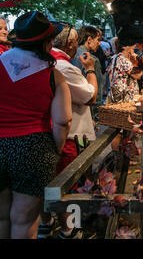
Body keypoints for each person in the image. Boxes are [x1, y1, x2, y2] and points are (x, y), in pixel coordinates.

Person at [0, 11, 71, 239]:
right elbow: (62, 121)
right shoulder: (54, 75)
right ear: (47, 42)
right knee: (23, 221)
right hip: (34, 149)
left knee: (1, 216)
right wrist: (55, 150)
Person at [38, 24, 98, 239]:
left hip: (41, 134)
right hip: (67, 137)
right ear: (71, 44)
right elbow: (90, 96)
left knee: (45, 183)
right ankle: (69, 230)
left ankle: (46, 223)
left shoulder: (40, 62)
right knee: (66, 186)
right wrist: (90, 69)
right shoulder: (63, 67)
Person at [71, 26, 103, 123]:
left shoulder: (70, 55)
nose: (99, 43)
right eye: (98, 39)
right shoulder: (92, 60)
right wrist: (95, 117)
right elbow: (96, 94)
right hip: (86, 110)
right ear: (89, 40)